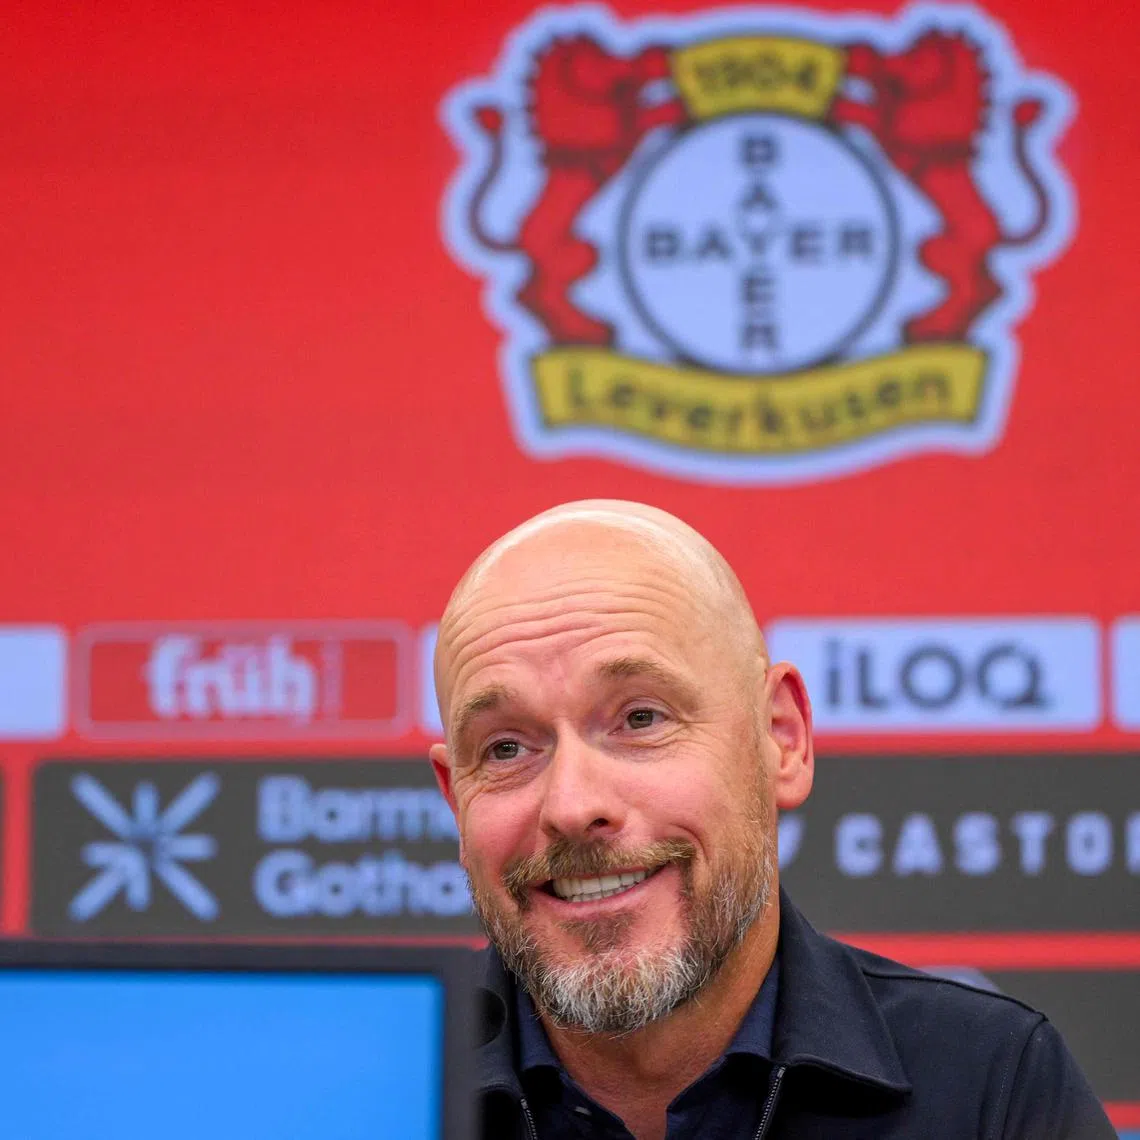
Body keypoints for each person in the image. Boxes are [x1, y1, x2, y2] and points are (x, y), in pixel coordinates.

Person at [429, 500, 1115, 1140]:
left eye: (641, 719)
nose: (573, 807)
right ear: (457, 800)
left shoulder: (992, 1087)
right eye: (506, 748)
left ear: (782, 739)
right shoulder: (361, 1094)